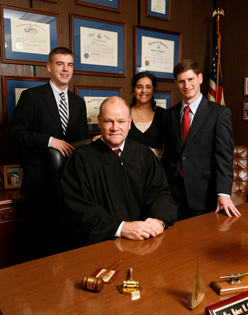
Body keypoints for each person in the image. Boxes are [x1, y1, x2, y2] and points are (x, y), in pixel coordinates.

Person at [61, 96, 177, 248]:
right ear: (99, 121)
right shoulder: (82, 160)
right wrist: (122, 228)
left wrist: (158, 220)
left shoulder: (143, 154)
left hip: (145, 242)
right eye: (109, 121)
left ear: (129, 123)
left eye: (121, 121)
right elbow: (78, 208)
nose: (115, 128)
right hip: (102, 245)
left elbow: (160, 192)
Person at [8, 46, 88, 257]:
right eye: (60, 64)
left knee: (66, 241)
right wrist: (50, 141)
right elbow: (15, 133)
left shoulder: (79, 103)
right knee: (39, 243)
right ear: (49, 67)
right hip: (39, 182)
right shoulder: (31, 96)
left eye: (69, 65)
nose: (65, 69)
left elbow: (79, 143)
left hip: (69, 183)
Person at [161, 59, 241, 220]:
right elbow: (169, 153)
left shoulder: (219, 114)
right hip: (173, 195)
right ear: (176, 83)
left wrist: (224, 193)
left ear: (200, 78)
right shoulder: (169, 114)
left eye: (190, 79)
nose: (187, 85)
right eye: (182, 81)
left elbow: (224, 157)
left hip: (204, 195)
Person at [128, 72, 165, 159]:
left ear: (153, 90)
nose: (144, 91)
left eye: (148, 87)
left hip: (158, 168)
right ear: (133, 89)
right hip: (129, 167)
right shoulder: (124, 112)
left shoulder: (163, 114)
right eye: (139, 87)